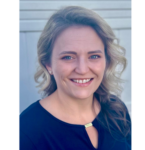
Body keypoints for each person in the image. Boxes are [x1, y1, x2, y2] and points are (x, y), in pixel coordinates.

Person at [20, 6, 131, 150]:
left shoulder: (116, 110)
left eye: (94, 56)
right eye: (68, 57)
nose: (82, 69)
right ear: (48, 64)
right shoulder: (26, 131)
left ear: (106, 61)